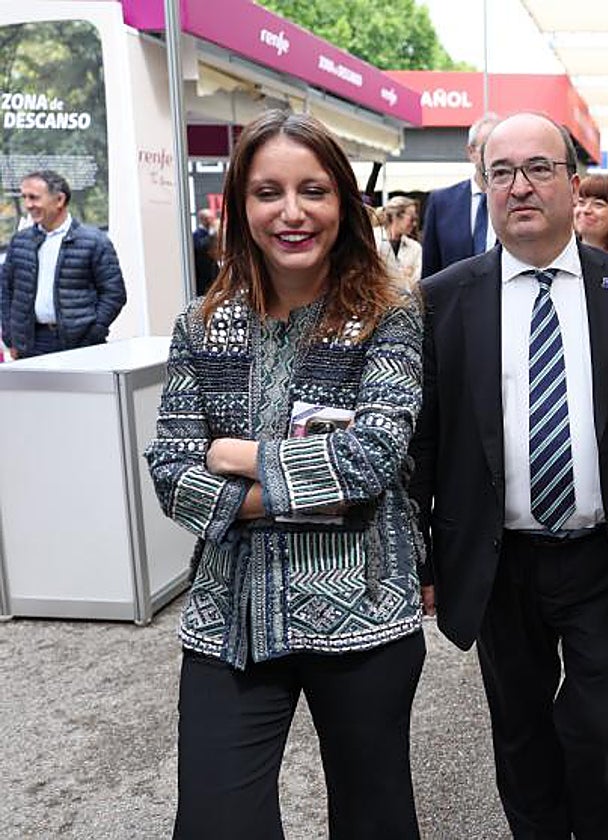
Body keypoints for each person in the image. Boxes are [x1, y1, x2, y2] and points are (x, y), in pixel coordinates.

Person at [409, 112, 608, 839]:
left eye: (539, 168)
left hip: (604, 553)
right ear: (485, 188)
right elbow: (428, 438)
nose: (520, 186)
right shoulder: (446, 297)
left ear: (572, 185)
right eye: (501, 172)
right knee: (520, 729)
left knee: (601, 723)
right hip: (498, 560)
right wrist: (420, 555)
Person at [143, 110, 427, 839]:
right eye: (268, 192)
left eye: (314, 191)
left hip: (362, 613)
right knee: (215, 822)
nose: (292, 212)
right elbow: (173, 472)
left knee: (374, 819)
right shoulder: (203, 325)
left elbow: (372, 457)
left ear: (345, 205)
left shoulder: (387, 316)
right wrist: (314, 489)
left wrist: (235, 454)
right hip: (229, 614)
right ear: (240, 206)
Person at [0, 169, 126, 358]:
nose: (28, 205)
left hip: (79, 345)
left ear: (59, 200)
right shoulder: (20, 242)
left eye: (34, 197)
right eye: (24, 197)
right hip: (31, 345)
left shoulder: (94, 241)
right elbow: (6, 292)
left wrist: (94, 332)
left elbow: (114, 293)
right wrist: (12, 339)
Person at [421, 112, 500, 278]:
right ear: (471, 152)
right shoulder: (441, 202)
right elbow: (430, 270)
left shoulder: (517, 199)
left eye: (500, 146)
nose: (495, 154)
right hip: (453, 302)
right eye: (487, 146)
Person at [381, 195, 423, 289]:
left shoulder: (415, 248)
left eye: (416, 220)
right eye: (412, 219)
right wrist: (403, 276)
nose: (414, 224)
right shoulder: (373, 240)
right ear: (396, 216)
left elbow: (415, 283)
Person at [193, 208, 220, 297]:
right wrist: (211, 235)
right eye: (210, 218)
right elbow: (200, 246)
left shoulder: (210, 233)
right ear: (203, 219)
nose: (212, 221)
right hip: (203, 273)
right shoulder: (197, 234)